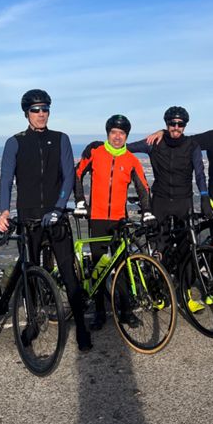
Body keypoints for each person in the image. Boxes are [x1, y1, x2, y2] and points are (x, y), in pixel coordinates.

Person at [0, 89, 92, 352]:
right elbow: (6, 179)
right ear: (27, 113)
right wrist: (4, 211)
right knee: (29, 273)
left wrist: (59, 207)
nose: (41, 114)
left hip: (55, 217)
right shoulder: (14, 142)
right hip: (28, 218)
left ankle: (81, 328)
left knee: (68, 274)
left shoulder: (61, 139)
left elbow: (68, 177)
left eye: (45, 109)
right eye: (36, 110)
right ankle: (31, 324)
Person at [75, 114, 154, 330]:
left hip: (119, 221)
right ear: (107, 133)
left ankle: (126, 311)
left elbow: (143, 187)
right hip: (97, 219)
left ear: (126, 136)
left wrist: (147, 211)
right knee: (99, 268)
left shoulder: (131, 160)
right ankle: (100, 313)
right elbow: (77, 173)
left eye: (122, 133)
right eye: (113, 132)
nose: (117, 137)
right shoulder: (95, 152)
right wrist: (80, 201)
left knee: (122, 268)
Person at [128, 106, 212, 227]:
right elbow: (126, 148)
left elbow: (199, 175)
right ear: (167, 124)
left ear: (185, 126)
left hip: (183, 201)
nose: (176, 127)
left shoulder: (192, 146)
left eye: (180, 124)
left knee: (185, 244)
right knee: (158, 243)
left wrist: (204, 196)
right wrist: (100, 146)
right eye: (172, 123)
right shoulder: (154, 142)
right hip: (160, 201)